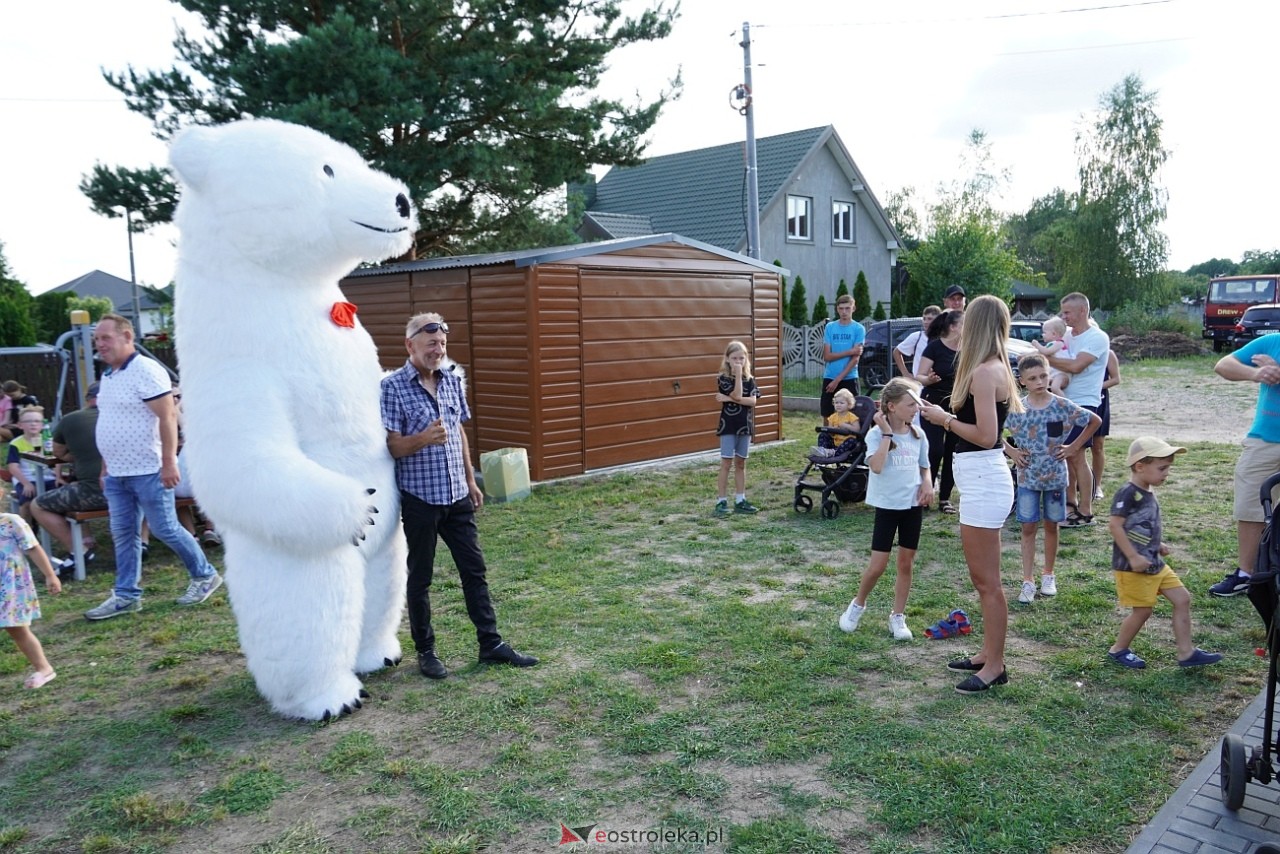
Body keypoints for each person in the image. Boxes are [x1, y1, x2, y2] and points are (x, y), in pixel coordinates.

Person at [381, 312, 538, 679]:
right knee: (420, 577)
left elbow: (459, 432)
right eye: (431, 343)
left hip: (456, 497)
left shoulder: (451, 380)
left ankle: (491, 644)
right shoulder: (392, 388)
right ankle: (426, 652)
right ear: (410, 345)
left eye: (442, 343)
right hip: (420, 499)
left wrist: (470, 479)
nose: (438, 350)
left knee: (474, 570)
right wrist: (423, 438)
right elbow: (392, 446)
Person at [83, 314, 222, 621]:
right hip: (118, 473)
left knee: (165, 528)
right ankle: (126, 595)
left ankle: (204, 575)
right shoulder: (109, 375)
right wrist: (106, 467)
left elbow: (167, 416)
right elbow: (110, 422)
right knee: (123, 533)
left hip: (149, 468)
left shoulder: (145, 370)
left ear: (127, 337)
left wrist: (168, 461)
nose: (99, 344)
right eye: (96, 339)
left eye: (105, 338)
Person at [921, 294, 1022, 694]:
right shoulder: (993, 367)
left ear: (977, 325)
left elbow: (985, 435)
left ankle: (995, 665)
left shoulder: (984, 371)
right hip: (982, 478)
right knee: (984, 580)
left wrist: (944, 419)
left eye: (965, 321)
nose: (959, 328)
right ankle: (987, 653)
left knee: (987, 582)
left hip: (983, 480)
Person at [1106, 437, 1223, 670]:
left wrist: (1157, 544)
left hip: (1154, 562)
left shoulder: (1147, 490)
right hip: (1133, 567)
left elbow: (1139, 525)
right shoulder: (1127, 493)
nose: (1167, 473)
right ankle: (1118, 650)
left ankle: (1186, 653)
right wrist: (1133, 557)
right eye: (1162, 468)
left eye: (1168, 467)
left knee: (1182, 599)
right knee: (1143, 611)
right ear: (1140, 466)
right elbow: (1115, 525)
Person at [837, 378, 932, 640]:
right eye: (910, 404)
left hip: (912, 506)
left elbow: (924, 466)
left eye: (917, 404)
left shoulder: (918, 434)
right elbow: (877, 467)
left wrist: (927, 483)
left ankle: (898, 616)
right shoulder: (876, 435)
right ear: (891, 406)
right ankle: (857, 605)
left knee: (906, 563)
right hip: (888, 506)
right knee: (878, 566)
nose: (916, 409)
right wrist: (887, 434)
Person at [1003, 353, 1100, 604]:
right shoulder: (1016, 408)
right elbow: (991, 429)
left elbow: (1094, 421)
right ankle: (1027, 580)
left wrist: (1073, 447)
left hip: (1056, 477)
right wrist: (1011, 450)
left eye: (1043, 376)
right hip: (1027, 477)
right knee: (1028, 526)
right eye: (1032, 378)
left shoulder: (1061, 405)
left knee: (1051, 525)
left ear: (1050, 376)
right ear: (1022, 381)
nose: (1039, 382)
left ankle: (1048, 575)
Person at [1208, 332, 1280, 597]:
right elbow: (1223, 365)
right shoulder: (1273, 341)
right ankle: (1246, 575)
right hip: (1264, 440)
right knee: (1251, 504)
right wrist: (1257, 373)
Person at [1046, 293, 1110, 527]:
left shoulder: (1097, 337)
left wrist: (1045, 358)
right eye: (1062, 312)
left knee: (1076, 455)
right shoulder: (1066, 336)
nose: (1063, 317)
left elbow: (1076, 366)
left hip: (1084, 403)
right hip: (1061, 401)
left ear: (1082, 311)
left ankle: (1085, 512)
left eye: (1067, 312)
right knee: (1064, 455)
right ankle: (1070, 504)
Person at [30, 383, 107, 573]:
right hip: (133, 490)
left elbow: (59, 453)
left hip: (95, 493)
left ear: (87, 399)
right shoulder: (126, 416)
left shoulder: (72, 419)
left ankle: (79, 551)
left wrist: (81, 455)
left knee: (38, 505)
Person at [1, 512, 62, 688]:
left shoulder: (11, 522)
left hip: (10, 587)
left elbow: (33, 548)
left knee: (17, 629)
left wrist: (50, 575)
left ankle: (44, 668)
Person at [916, 309, 963, 513]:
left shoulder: (968, 349)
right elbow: (919, 376)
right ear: (953, 327)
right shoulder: (935, 347)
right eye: (964, 324)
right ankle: (926, 493)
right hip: (932, 402)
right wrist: (929, 379)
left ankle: (945, 499)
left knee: (953, 451)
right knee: (934, 449)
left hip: (958, 404)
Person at [714, 340, 761, 513]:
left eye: (741, 358)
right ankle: (721, 501)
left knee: (740, 463)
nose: (738, 362)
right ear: (727, 359)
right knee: (726, 463)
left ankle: (740, 500)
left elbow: (752, 401)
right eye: (734, 358)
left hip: (744, 425)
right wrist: (738, 375)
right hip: (728, 425)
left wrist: (727, 398)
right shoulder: (723, 378)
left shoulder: (751, 380)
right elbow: (738, 394)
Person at [6, 406, 56, 523]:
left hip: (48, 477)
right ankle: (26, 530)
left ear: (42, 425)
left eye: (37, 421)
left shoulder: (48, 440)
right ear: (20, 425)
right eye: (28, 421)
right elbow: (13, 467)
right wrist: (26, 483)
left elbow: (56, 460)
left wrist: (58, 475)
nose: (33, 424)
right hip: (27, 479)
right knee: (27, 502)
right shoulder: (16, 443)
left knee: (59, 498)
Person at [820, 294, 865, 418]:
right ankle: (828, 432)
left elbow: (855, 358)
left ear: (853, 308)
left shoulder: (858, 329)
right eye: (841, 308)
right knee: (827, 414)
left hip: (850, 377)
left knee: (852, 415)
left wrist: (838, 380)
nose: (844, 312)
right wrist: (850, 351)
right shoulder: (830, 327)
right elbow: (827, 356)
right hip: (830, 376)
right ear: (837, 309)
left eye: (847, 308)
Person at [1091, 350, 1121, 501]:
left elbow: (1116, 379)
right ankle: (1076, 483)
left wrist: (1095, 387)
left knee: (1098, 446)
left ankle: (1096, 485)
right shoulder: (1074, 350)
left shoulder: (1108, 353)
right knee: (1076, 447)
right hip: (1078, 400)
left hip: (1099, 401)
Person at [893, 305, 942, 380]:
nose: (926, 322)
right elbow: (896, 352)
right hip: (920, 383)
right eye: (924, 319)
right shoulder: (917, 337)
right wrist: (905, 373)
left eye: (929, 319)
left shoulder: (945, 338)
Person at [814, 387, 859, 455]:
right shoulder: (832, 417)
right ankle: (823, 451)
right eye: (836, 403)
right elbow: (830, 432)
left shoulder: (851, 417)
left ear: (849, 404)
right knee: (823, 434)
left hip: (846, 443)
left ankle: (833, 452)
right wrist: (833, 429)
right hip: (835, 442)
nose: (838, 405)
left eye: (841, 403)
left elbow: (857, 430)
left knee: (852, 441)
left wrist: (846, 426)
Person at [1035, 316, 1072, 395]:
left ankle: (1064, 401)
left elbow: (1046, 352)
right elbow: (1040, 352)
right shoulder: (1050, 344)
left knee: (1055, 388)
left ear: (1054, 334)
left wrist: (1037, 345)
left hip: (1062, 374)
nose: (1042, 335)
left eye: (1045, 333)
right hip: (1054, 374)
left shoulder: (1059, 343)